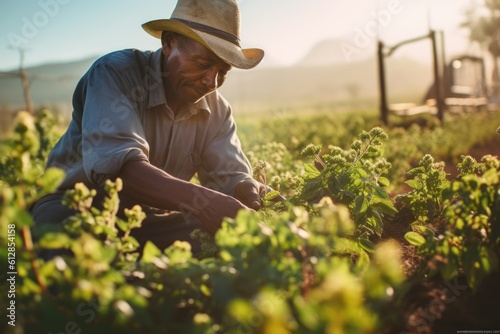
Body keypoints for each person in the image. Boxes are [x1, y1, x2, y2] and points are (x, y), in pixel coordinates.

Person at [30, 0, 273, 254]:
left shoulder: (218, 111)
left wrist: (245, 187)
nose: (212, 82)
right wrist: (203, 204)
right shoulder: (116, 73)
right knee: (65, 244)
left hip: (150, 219)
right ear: (169, 42)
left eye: (223, 71)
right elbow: (120, 169)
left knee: (226, 244)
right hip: (78, 205)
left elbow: (229, 176)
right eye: (203, 64)